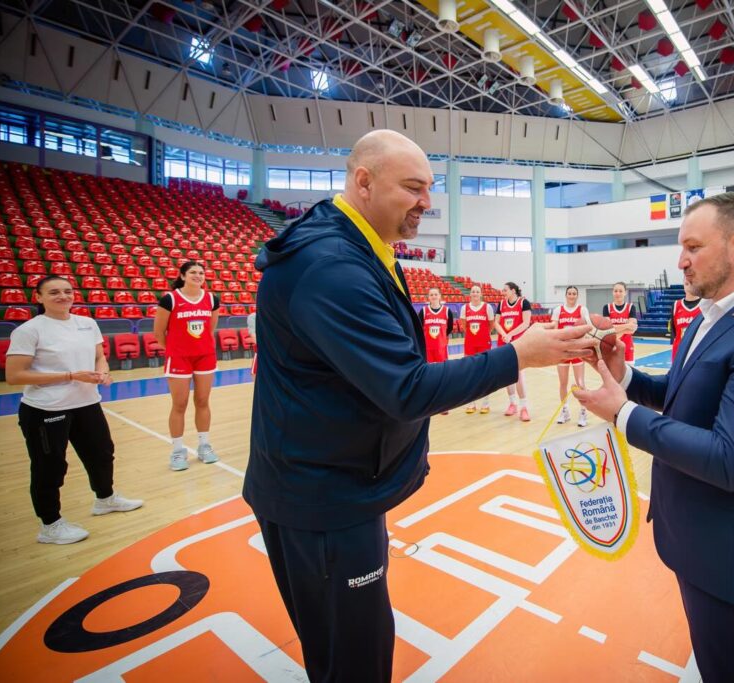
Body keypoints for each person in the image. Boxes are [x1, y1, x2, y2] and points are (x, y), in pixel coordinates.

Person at [244, 129, 595, 683]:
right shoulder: (331, 267)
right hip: (323, 499)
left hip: (332, 483)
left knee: (349, 649)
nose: (427, 202)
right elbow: (406, 389)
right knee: (355, 661)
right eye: (413, 188)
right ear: (364, 182)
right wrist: (518, 356)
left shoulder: (353, 245)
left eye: (429, 188)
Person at [575, 192, 734, 682]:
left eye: (692, 247)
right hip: (695, 535)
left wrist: (622, 414)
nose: (681, 261)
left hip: (728, 554)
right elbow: (683, 394)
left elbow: (731, 459)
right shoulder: (711, 316)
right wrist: (623, 376)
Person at [6, 275, 143, 545]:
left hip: (87, 403)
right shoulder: (29, 330)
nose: (63, 296)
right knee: (50, 466)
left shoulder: (87, 323)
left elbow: (99, 356)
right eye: (54, 292)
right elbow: (14, 375)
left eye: (67, 291)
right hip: (46, 409)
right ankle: (50, 524)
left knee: (102, 454)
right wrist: (70, 375)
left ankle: (105, 499)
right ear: (39, 297)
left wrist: (103, 372)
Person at [153, 260, 221, 471]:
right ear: (183, 276)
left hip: (205, 356)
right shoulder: (170, 299)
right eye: (193, 272)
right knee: (179, 404)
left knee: (202, 401)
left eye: (201, 272)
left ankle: (204, 446)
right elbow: (159, 333)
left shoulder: (212, 299)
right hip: (179, 358)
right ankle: (177, 451)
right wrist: (175, 349)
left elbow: (210, 329)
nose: (198, 276)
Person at [551, 285, 592, 427]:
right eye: (569, 293)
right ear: (566, 295)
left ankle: (583, 411)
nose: (572, 296)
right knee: (563, 383)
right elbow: (554, 330)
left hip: (577, 350)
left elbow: (587, 329)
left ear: (577, 295)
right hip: (562, 351)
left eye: (574, 293)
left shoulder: (582, 310)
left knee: (580, 383)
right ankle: (565, 411)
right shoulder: (558, 310)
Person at [495, 281, 533, 421]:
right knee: (508, 374)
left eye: (505, 290)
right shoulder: (501, 304)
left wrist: (510, 334)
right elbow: (496, 322)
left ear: (513, 290)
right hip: (504, 341)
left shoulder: (524, 303)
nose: (502, 292)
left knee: (518, 374)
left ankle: (524, 407)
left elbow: (526, 323)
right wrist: (504, 334)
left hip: (518, 342)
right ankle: (512, 404)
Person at [460, 284, 496, 414]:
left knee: (485, 372)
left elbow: (491, 324)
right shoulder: (464, 308)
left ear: (481, 294)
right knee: (470, 372)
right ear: (470, 294)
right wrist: (472, 335)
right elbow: (463, 325)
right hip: (470, 343)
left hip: (484, 343)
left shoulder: (488, 307)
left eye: (477, 291)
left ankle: (485, 403)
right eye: (473, 291)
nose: (475, 293)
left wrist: (483, 335)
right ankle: (471, 403)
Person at [419, 287, 454, 414]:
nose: (433, 296)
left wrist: (442, 339)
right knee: (428, 376)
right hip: (427, 349)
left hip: (441, 348)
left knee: (443, 376)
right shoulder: (423, 311)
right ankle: (429, 402)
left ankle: (444, 404)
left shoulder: (447, 311)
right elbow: (418, 328)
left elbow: (449, 328)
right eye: (431, 294)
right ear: (428, 297)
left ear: (440, 296)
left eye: (435, 294)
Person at [603, 282, 638, 364]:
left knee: (629, 372)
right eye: (615, 291)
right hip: (611, 346)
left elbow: (631, 330)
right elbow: (608, 329)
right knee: (612, 371)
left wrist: (614, 329)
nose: (618, 293)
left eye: (620, 291)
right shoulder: (607, 307)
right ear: (612, 292)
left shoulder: (631, 307)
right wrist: (627, 326)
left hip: (627, 346)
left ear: (625, 292)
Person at [668, 281, 701, 361]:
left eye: (692, 282)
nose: (689, 285)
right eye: (686, 283)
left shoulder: (705, 304)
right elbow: (674, 331)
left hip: (698, 351)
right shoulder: (676, 305)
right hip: (679, 352)